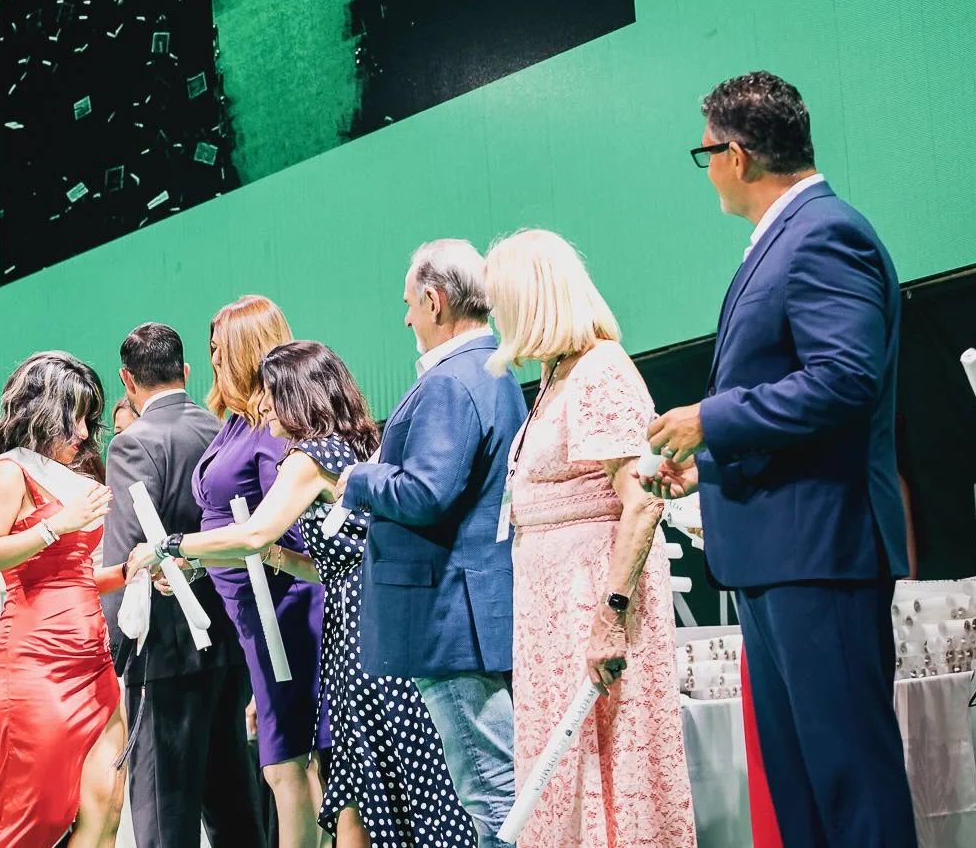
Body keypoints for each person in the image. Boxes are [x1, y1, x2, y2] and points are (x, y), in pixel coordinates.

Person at [643, 71, 915, 847]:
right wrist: (710, 460)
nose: (708, 171)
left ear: (735, 155)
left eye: (705, 154)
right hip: (780, 550)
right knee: (803, 796)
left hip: (819, 549)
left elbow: (845, 378)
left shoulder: (824, 232)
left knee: (851, 788)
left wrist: (711, 419)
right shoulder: (788, 237)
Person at [135, 341, 474, 848]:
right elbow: (321, 564)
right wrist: (215, 560)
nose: (262, 405)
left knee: (375, 780)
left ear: (297, 396)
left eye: (270, 393)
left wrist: (171, 544)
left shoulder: (308, 458)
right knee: (367, 783)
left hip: (363, 632)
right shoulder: (344, 447)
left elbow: (255, 533)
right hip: (361, 621)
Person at [485, 229, 694, 848]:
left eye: (501, 300)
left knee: (611, 759)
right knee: (566, 773)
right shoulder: (559, 374)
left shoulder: (599, 371)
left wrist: (611, 616)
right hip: (555, 616)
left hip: (590, 606)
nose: (496, 315)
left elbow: (641, 502)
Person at [336, 241, 520, 846]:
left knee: (490, 791)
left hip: (447, 615)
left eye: (410, 304)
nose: (406, 319)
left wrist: (360, 477)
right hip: (471, 606)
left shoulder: (451, 380)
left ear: (435, 301)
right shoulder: (492, 369)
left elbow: (426, 491)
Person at [100, 323, 261, 848]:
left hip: (164, 656)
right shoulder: (223, 430)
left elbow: (128, 560)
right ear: (186, 370)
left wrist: (118, 656)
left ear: (127, 380)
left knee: (165, 821)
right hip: (232, 644)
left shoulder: (131, 444)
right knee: (237, 812)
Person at [0, 351, 129, 848]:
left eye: (89, 418)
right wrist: (59, 525)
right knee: (37, 817)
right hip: (36, 666)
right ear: (44, 411)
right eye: (75, 416)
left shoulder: (73, 480)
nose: (83, 431)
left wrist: (130, 572)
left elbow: (77, 577)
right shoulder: (9, 472)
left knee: (106, 808)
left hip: (95, 665)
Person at [193, 297, 324, 848]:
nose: (214, 360)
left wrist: (188, 551)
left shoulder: (271, 429)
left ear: (247, 350)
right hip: (256, 619)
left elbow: (283, 529)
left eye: (221, 349)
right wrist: (194, 563)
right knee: (287, 764)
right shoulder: (236, 424)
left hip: (285, 612)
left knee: (290, 765)